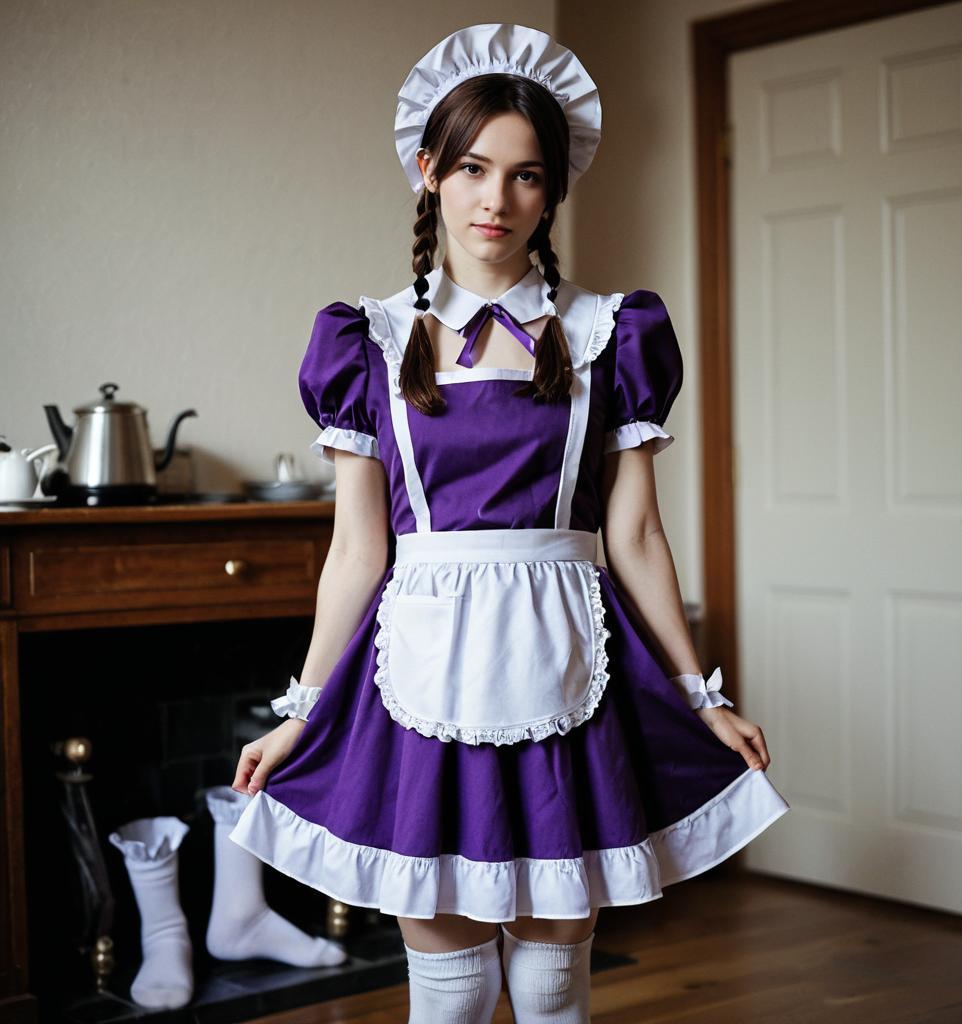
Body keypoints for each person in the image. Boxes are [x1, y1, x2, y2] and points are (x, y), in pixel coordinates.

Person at [229, 22, 790, 1023]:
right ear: (427, 170)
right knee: (445, 989)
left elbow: (637, 537)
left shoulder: (612, 332)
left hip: (567, 665)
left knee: (550, 982)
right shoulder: (368, 342)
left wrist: (700, 692)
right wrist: (302, 708)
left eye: (527, 176)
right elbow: (357, 550)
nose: (498, 200)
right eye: (474, 168)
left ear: (554, 188)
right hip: (422, 677)